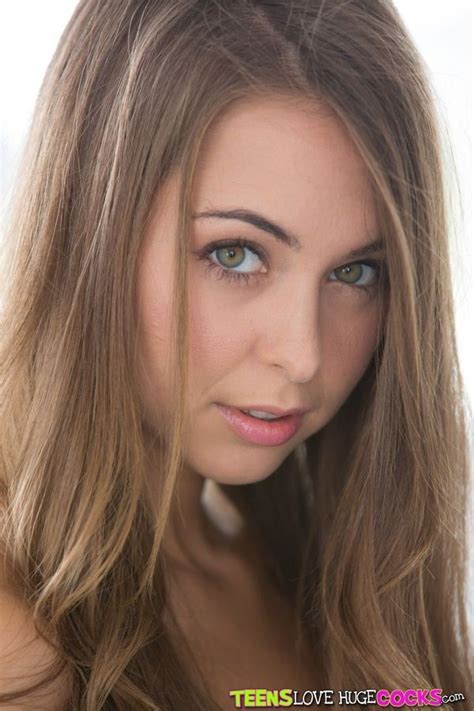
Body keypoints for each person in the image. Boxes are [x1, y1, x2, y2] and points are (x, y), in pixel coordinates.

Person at [0, 1, 472, 709]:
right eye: (236, 253)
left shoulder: (320, 570)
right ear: (90, 231)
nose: (303, 355)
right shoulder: (25, 646)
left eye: (356, 272)